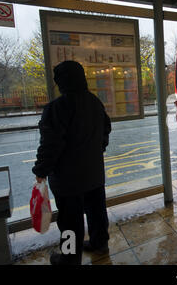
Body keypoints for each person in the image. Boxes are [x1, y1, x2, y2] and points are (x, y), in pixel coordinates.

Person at [32, 61, 112, 265]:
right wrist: (96, 151)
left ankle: (69, 258)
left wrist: (41, 170)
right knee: (97, 211)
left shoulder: (57, 108)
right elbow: (105, 131)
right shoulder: (95, 102)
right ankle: (99, 243)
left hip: (68, 179)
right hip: (94, 172)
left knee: (69, 220)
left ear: (61, 81)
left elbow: (50, 144)